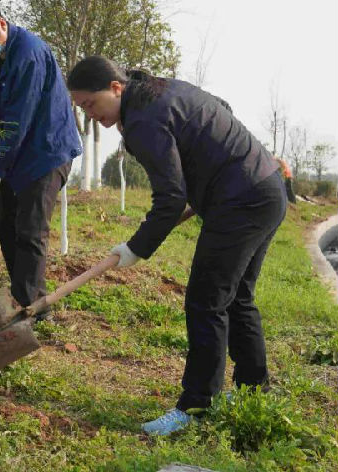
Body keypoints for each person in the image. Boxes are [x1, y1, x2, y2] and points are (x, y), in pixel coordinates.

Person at [67, 56, 286, 437]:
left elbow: (170, 198)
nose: (89, 113)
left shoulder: (143, 120)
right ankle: (254, 389)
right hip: (265, 188)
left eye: (90, 103)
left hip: (241, 201)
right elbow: (222, 108)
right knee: (237, 297)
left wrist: (136, 247)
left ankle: (196, 406)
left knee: (207, 300)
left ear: (116, 88)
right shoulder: (160, 89)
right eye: (81, 107)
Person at [0, 1, 82, 315]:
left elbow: (18, 119)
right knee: (6, 228)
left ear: (2, 24)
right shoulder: (1, 55)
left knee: (30, 232)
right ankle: (24, 298)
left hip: (44, 153)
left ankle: (34, 312)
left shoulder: (27, 53)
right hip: (17, 155)